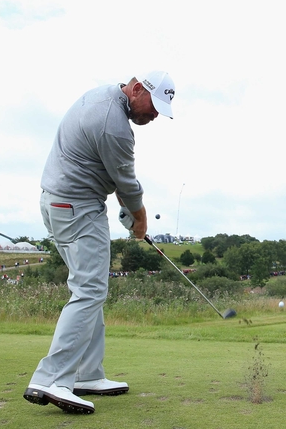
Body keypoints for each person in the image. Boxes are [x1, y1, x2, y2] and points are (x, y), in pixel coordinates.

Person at [23, 71, 175, 414]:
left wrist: (127, 210)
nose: (154, 116)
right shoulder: (115, 125)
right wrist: (140, 219)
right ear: (137, 89)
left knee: (89, 289)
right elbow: (127, 184)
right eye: (154, 107)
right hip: (76, 206)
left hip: (59, 202)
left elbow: (108, 173)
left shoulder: (102, 96)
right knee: (89, 290)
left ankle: (88, 374)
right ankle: (52, 379)